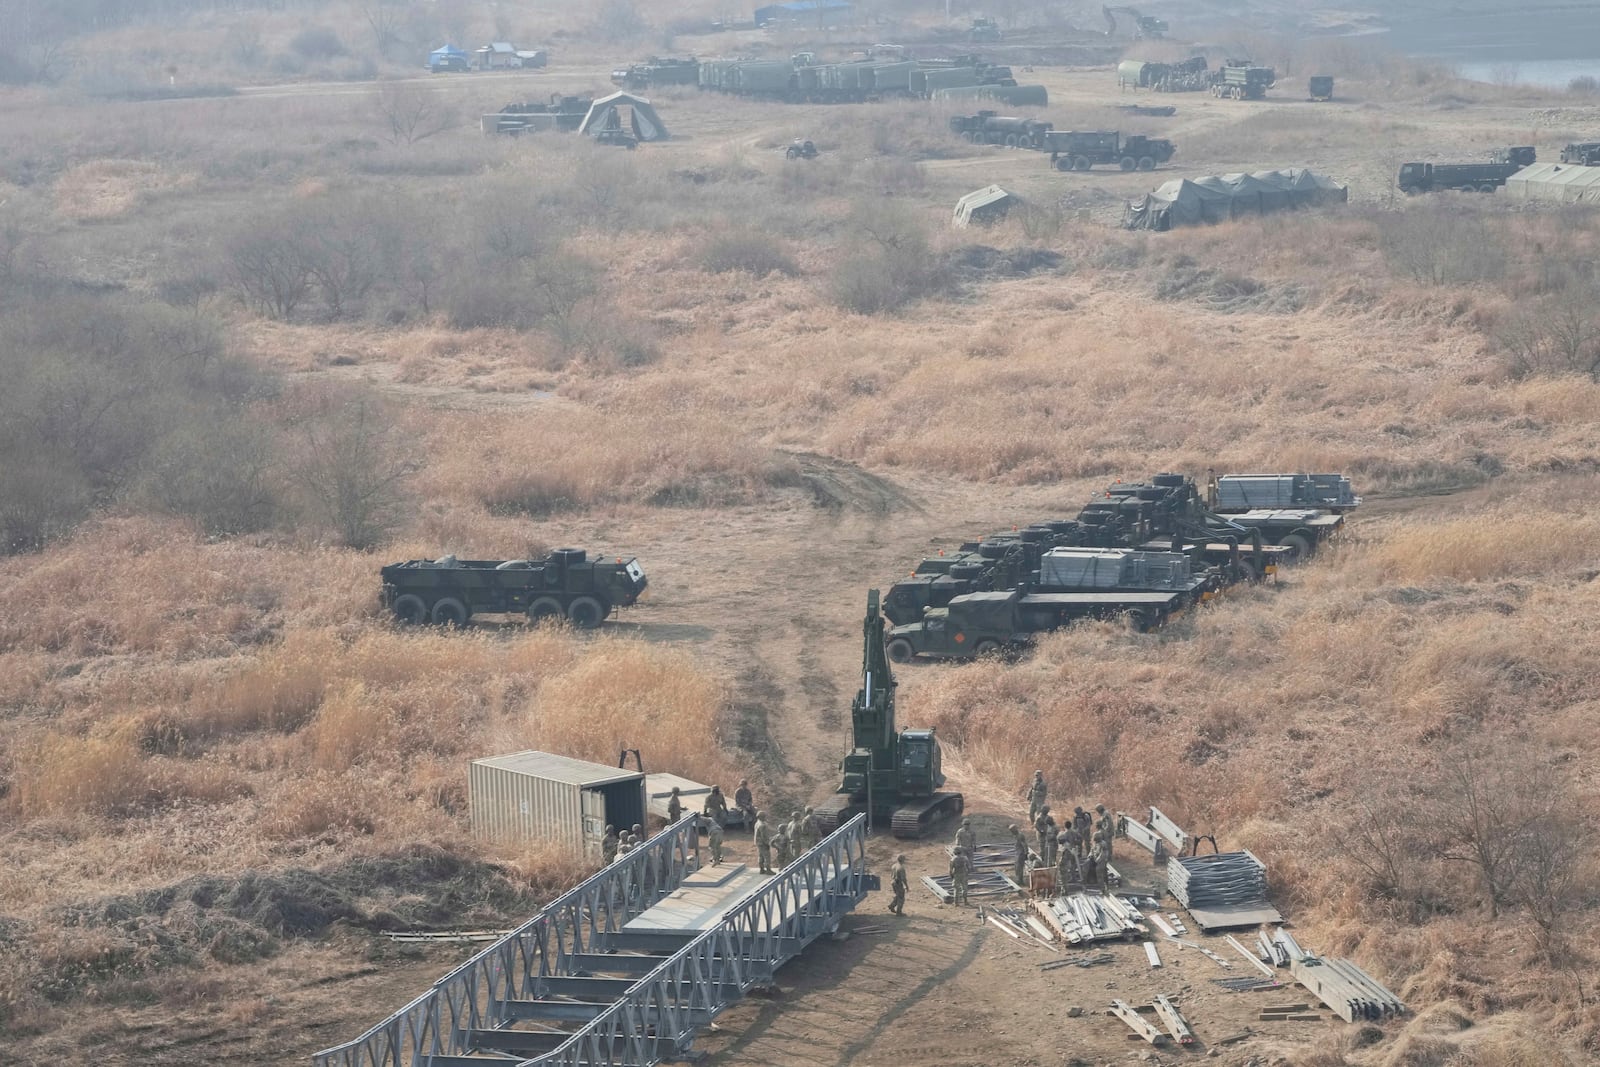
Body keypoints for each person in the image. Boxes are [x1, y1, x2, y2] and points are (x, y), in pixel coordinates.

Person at [1010, 824, 1028, 889]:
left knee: (1019, 867)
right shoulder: (1016, 835)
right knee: (1017, 867)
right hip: (1017, 853)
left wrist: (1026, 853)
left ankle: (1020, 880)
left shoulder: (1020, 836)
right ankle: (1019, 879)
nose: (1011, 832)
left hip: (1020, 854)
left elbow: (1024, 845)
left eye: (1012, 830)